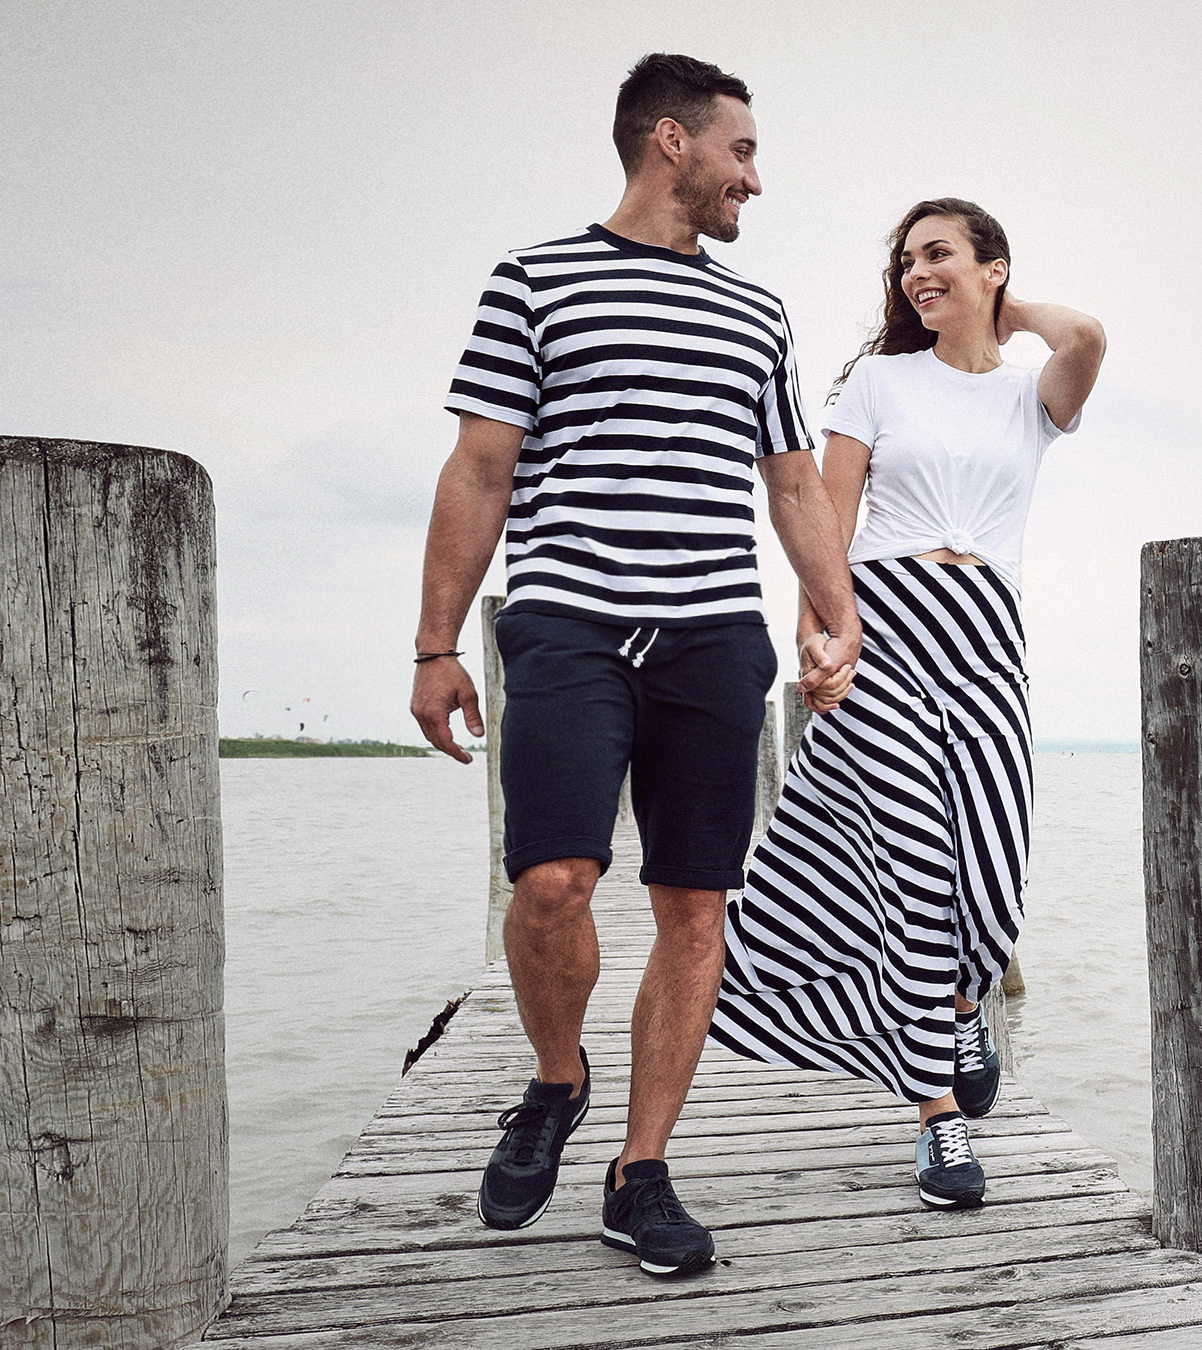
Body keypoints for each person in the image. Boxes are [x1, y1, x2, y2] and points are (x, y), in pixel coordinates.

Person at [410, 53, 862, 1277]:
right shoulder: (533, 280)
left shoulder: (757, 313)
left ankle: (640, 1171)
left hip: (713, 636)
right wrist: (437, 645)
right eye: (742, 152)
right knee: (553, 880)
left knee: (696, 905)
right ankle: (557, 1078)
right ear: (673, 141)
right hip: (569, 620)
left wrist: (839, 617)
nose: (754, 180)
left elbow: (792, 485)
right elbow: (481, 470)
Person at [709, 198, 1106, 1208]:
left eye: (940, 255)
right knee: (915, 876)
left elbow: (1087, 338)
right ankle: (936, 1118)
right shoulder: (879, 382)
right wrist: (817, 636)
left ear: (993, 265)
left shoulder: (1028, 397)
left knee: (996, 867)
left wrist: (1007, 313)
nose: (917, 274)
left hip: (986, 639)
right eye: (906, 262)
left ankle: (966, 1003)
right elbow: (824, 524)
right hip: (882, 628)